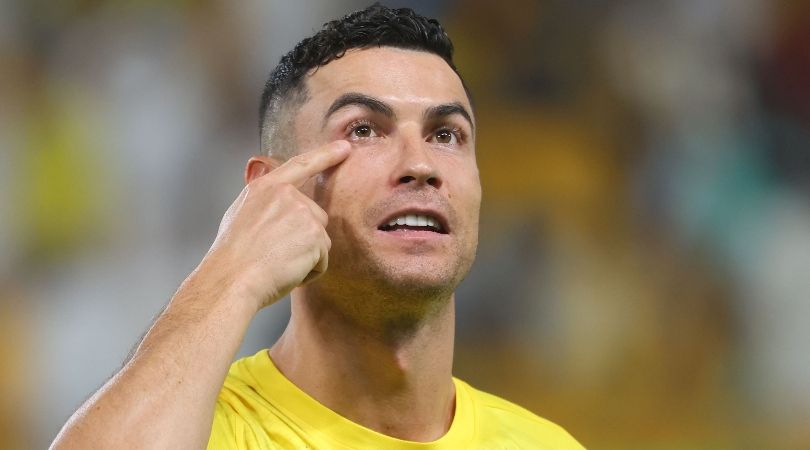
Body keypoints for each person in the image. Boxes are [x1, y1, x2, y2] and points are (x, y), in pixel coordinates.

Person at [51, 4, 585, 449]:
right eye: (364, 130)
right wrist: (231, 273)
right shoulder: (208, 432)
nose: (420, 163)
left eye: (446, 134)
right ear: (275, 187)